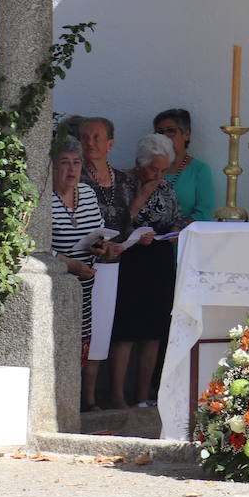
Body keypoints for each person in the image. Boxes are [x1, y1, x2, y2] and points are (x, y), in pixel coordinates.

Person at [110, 133, 178, 409]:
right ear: (140, 162)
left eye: (163, 169)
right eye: (154, 168)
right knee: (126, 331)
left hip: (159, 259)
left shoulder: (165, 186)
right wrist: (142, 196)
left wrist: (174, 231)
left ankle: (142, 396)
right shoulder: (124, 182)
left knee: (153, 331)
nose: (158, 174)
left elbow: (176, 216)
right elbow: (119, 222)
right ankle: (117, 395)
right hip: (132, 258)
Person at [50, 137, 106, 410]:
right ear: (51, 166)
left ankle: (73, 403)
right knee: (56, 345)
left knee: (81, 344)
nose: (71, 170)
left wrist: (102, 246)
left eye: (76, 163)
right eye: (64, 163)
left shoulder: (87, 193)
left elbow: (98, 229)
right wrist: (69, 265)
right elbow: (37, 248)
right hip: (57, 286)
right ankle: (56, 404)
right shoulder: (44, 198)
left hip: (86, 284)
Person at [153, 108, 213, 223]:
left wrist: (179, 229)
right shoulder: (148, 167)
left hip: (183, 237)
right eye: (160, 132)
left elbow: (204, 212)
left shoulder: (199, 170)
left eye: (171, 131)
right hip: (149, 237)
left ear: (186, 134)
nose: (164, 137)